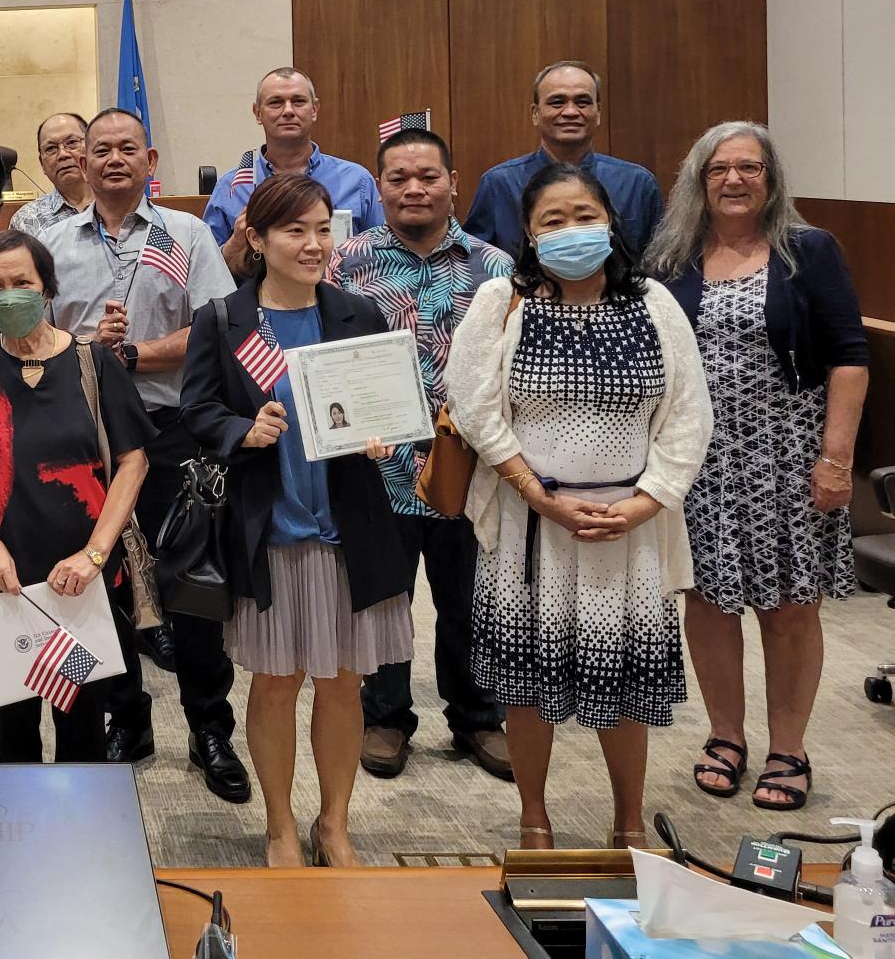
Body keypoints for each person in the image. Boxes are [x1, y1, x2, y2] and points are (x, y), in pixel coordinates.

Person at [444, 163, 713, 851]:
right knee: (526, 683)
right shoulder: (502, 301)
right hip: (528, 522)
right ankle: (534, 819)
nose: (572, 231)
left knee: (624, 678)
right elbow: (472, 403)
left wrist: (647, 502)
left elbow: (690, 414)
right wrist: (535, 491)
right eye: (553, 221)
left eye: (585, 216)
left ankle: (629, 822)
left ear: (611, 223)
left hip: (631, 526)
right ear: (529, 235)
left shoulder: (653, 302)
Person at [182, 175, 413, 866]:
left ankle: (333, 824)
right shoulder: (225, 319)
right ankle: (280, 824)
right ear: (257, 239)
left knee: (343, 682)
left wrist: (383, 435)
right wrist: (242, 430)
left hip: (348, 529)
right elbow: (198, 411)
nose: (314, 245)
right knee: (276, 682)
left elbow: (386, 403)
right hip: (270, 530)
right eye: (295, 231)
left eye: (322, 230)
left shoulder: (356, 314)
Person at [643, 123, 869, 812]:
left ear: (771, 179)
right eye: (719, 169)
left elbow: (849, 357)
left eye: (749, 167)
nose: (734, 180)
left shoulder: (808, 250)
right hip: (698, 461)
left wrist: (836, 460)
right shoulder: (670, 256)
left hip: (790, 457)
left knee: (791, 607)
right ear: (698, 180)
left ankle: (788, 748)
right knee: (708, 602)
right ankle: (726, 736)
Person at [43, 108, 247, 800]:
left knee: (190, 586)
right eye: (100, 150)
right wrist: (88, 353)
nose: (113, 159)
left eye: (127, 148)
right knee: (100, 583)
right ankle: (126, 716)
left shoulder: (186, 234)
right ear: (83, 162)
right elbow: (34, 340)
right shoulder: (52, 244)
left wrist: (133, 354)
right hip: (83, 437)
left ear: (149, 160)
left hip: (171, 430)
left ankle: (209, 726)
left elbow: (216, 330)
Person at [329, 128, 514, 783]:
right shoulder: (345, 263)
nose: (414, 188)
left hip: (472, 468)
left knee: (471, 600)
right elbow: (322, 356)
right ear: (379, 186)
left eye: (428, 176)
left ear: (453, 183)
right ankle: (384, 715)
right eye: (398, 177)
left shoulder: (496, 268)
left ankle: (478, 716)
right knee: (384, 599)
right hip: (376, 466)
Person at [0, 230, 152, 763]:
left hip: (79, 583)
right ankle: (22, 815)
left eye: (22, 283)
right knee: (13, 726)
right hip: (2, 582)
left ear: (47, 287)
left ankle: (78, 815)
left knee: (81, 723)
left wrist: (94, 554)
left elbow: (133, 461)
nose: (9, 295)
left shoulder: (92, 364)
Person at [464, 62, 664, 256]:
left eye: (582, 102)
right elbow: (474, 263)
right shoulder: (499, 184)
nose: (570, 112)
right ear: (535, 113)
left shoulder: (636, 183)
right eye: (557, 102)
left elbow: (658, 262)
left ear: (598, 112)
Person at [202, 68, 382, 277]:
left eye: (298, 101)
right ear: (258, 113)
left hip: (342, 295)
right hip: (255, 296)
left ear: (314, 109)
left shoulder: (357, 181)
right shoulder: (231, 187)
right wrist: (238, 240)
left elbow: (384, 258)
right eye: (276, 102)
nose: (288, 111)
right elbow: (206, 273)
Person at [13, 111, 93, 239]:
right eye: (50, 148)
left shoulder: (117, 205)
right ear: (42, 164)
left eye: (72, 142)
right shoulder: (25, 220)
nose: (63, 154)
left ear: (91, 147)